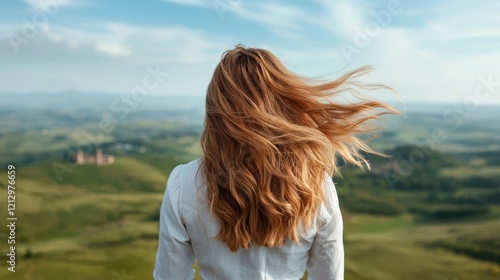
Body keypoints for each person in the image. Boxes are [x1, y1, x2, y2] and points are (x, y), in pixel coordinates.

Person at [153, 45, 397, 279]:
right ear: (282, 104)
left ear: (216, 111)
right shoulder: (317, 186)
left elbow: (169, 276)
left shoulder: (183, 183)